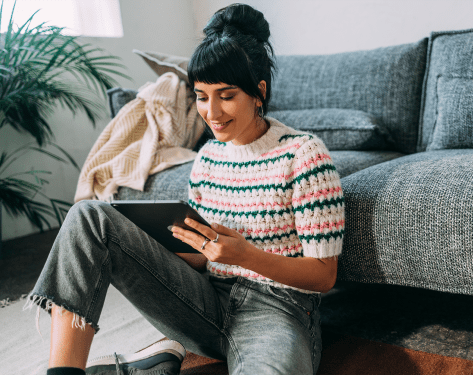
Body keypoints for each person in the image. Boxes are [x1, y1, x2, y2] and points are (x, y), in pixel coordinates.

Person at [25, 3, 344, 375]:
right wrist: (155, 247)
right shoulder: (207, 159)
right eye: (201, 95)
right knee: (88, 217)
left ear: (258, 92)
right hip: (205, 302)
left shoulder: (304, 155)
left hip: (279, 309)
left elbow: (324, 276)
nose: (211, 112)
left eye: (226, 95)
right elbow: (202, 260)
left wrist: (245, 256)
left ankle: (149, 365)